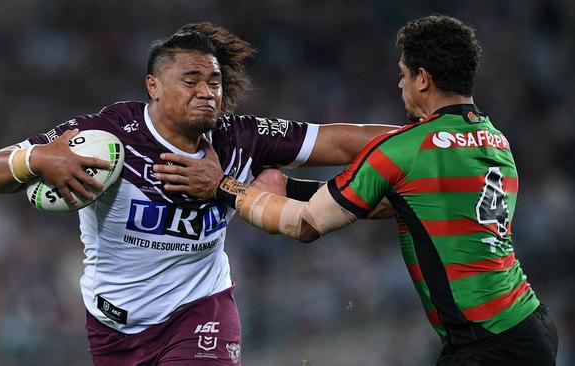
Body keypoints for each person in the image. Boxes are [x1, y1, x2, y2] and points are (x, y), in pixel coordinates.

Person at [0, 22, 395, 365]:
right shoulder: (105, 134)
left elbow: (341, 141)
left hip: (202, 309)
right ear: (153, 86)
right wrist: (36, 161)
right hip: (112, 326)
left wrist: (428, 135)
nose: (207, 92)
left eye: (213, 81)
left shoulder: (240, 137)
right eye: (191, 80)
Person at [154, 16, 559, 365]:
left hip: (486, 342)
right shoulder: (494, 139)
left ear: (423, 79)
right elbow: (395, 204)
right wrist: (287, 185)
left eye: (403, 75)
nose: (400, 87)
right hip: (529, 323)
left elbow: (306, 225)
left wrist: (222, 186)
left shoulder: (404, 148)